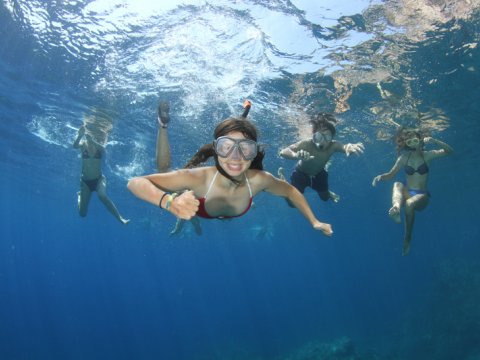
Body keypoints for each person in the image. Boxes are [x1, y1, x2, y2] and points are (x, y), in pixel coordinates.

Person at [127, 103, 333, 236]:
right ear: (216, 150)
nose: (235, 157)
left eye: (245, 148)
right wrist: (169, 202)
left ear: (253, 153)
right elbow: (135, 182)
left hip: (208, 205)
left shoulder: (259, 180)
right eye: (226, 147)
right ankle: (163, 126)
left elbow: (290, 190)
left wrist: (314, 221)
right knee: (165, 172)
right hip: (192, 195)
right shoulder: (199, 179)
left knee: (183, 203)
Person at [372, 128, 453, 255]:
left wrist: (434, 141)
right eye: (409, 142)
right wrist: (380, 177)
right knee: (397, 184)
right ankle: (396, 209)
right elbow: (390, 175)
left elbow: (450, 151)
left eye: (415, 140)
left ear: (420, 140)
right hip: (408, 192)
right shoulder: (404, 157)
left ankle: (407, 239)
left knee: (410, 203)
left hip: (422, 196)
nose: (413, 144)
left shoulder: (427, 155)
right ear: (407, 144)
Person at [278, 113, 364, 205]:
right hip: (300, 174)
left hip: (319, 174)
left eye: (327, 137)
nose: (323, 140)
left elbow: (344, 146)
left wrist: (348, 147)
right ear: (314, 136)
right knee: (293, 204)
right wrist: (295, 155)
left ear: (332, 138)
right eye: (319, 136)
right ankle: (283, 181)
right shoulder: (306, 143)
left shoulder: (333, 145)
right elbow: (283, 152)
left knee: (325, 198)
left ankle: (327, 191)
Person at [73, 119, 129, 225]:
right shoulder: (82, 145)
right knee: (82, 214)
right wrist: (80, 135)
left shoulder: (98, 145)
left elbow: (103, 150)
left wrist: (92, 141)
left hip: (99, 179)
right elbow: (74, 146)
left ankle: (120, 218)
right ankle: (79, 195)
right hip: (85, 182)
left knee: (102, 196)